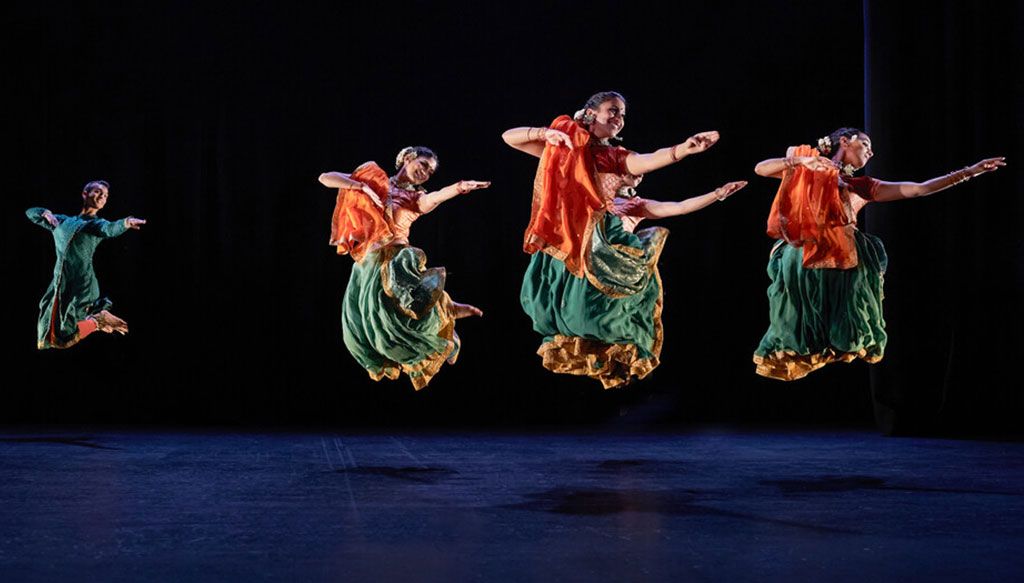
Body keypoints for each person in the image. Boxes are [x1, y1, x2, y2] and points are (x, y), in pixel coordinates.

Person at [503, 91, 741, 388]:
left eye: (623, 114)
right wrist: (547, 133)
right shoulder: (563, 149)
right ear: (590, 114)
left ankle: (611, 351)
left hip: (597, 240)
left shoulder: (616, 160)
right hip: (564, 235)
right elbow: (509, 137)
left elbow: (651, 166)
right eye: (613, 111)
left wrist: (683, 150)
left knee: (588, 313)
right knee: (546, 304)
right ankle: (588, 348)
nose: (619, 118)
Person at [752, 127, 1005, 380]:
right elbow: (761, 169)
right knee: (798, 325)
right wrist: (800, 161)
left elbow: (919, 189)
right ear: (845, 141)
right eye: (865, 144)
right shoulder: (806, 168)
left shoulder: (860, 185)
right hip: (803, 257)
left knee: (846, 331)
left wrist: (970, 172)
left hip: (842, 260)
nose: (871, 152)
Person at [319, 147, 488, 389]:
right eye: (423, 164)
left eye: (430, 171)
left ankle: (443, 309)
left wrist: (459, 188)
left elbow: (434, 197)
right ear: (408, 158)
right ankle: (445, 307)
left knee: (403, 272)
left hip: (396, 255)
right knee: (367, 326)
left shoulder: (414, 199)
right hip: (368, 263)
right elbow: (325, 178)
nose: (425, 172)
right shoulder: (373, 180)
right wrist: (360, 187)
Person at [26, 180, 145, 349]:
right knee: (51, 334)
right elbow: (30, 213)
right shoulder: (61, 222)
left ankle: (98, 321)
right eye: (98, 191)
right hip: (61, 283)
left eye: (105, 195)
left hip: (82, 284)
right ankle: (98, 320)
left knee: (65, 335)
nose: (102, 196)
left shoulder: (96, 224)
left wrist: (125, 223)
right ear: (85, 193)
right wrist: (45, 212)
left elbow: (110, 229)